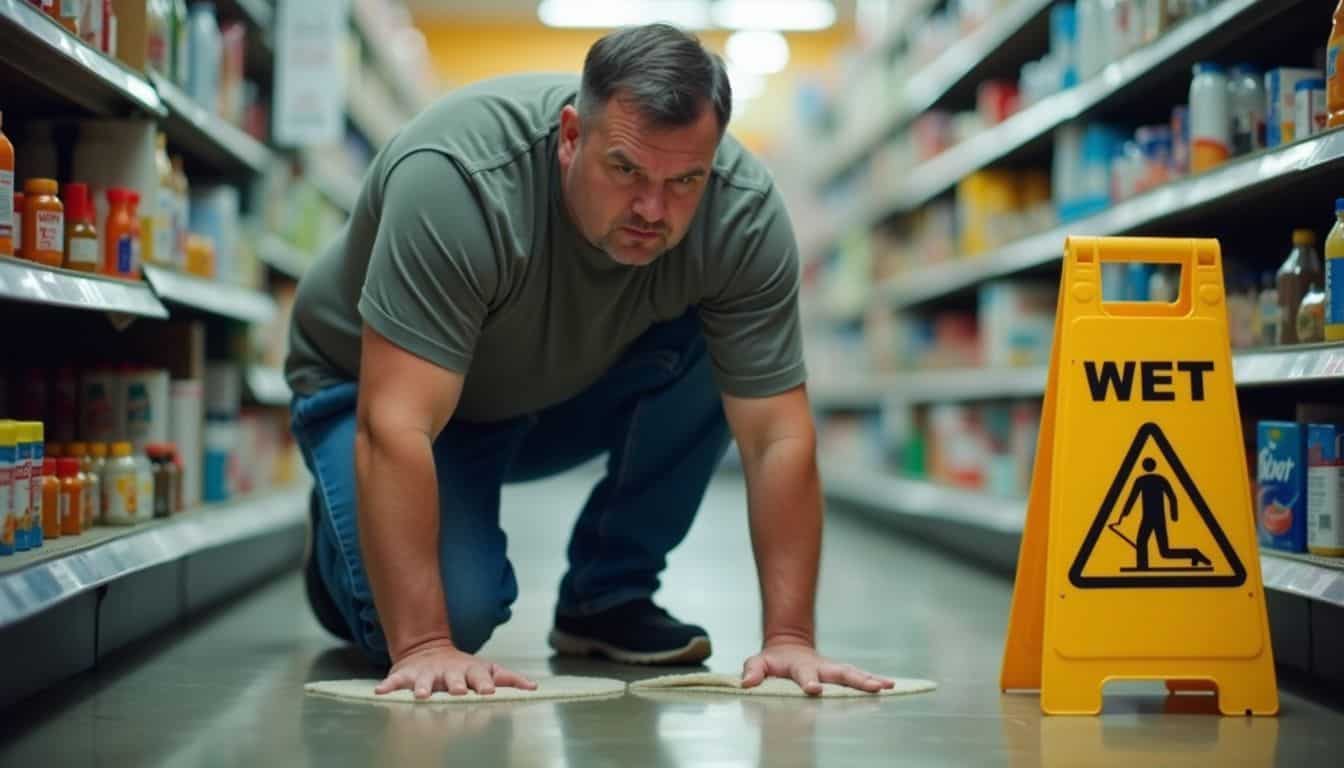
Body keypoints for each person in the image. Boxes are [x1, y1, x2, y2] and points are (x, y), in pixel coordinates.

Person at [286, 23, 893, 699]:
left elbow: (776, 433)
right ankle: (339, 550)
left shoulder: (742, 215)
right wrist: (426, 644)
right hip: (375, 392)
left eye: (684, 180)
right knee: (449, 619)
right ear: (571, 136)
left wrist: (790, 641)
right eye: (626, 170)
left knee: (722, 348)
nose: (652, 209)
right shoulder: (459, 179)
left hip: (545, 391)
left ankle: (608, 599)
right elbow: (395, 421)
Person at [1117, 458, 1210, 570]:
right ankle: (1142, 566)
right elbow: (1171, 498)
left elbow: (1171, 497)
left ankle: (1194, 553)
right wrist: (1173, 515)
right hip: (1153, 518)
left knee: (1154, 547)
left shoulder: (1145, 480)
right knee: (1157, 548)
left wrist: (1124, 514)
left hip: (1154, 518)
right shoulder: (1156, 479)